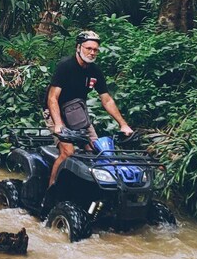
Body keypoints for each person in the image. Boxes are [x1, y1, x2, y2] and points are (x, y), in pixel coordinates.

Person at [43, 30, 134, 188]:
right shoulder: (65, 66)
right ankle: (51, 190)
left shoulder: (95, 71)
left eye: (95, 50)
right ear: (78, 47)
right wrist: (58, 124)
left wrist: (123, 124)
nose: (92, 53)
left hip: (78, 114)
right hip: (56, 112)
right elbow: (52, 98)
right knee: (68, 152)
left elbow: (106, 99)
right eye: (88, 48)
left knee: (98, 152)